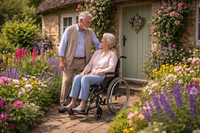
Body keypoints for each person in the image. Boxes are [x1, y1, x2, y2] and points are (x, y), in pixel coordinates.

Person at [63, 33, 117, 112]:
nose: (101, 40)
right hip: (91, 75)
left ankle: (83, 104)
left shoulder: (112, 54)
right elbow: (90, 65)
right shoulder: (97, 52)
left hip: (102, 77)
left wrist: (98, 72)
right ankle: (73, 102)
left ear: (109, 42)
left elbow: (111, 68)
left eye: (103, 39)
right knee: (78, 77)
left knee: (85, 78)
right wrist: (85, 71)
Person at [58, 11, 102, 107]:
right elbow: (62, 46)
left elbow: (98, 44)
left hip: (83, 62)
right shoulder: (69, 30)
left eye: (90, 22)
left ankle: (75, 103)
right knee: (66, 82)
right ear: (81, 20)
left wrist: (109, 49)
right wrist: (62, 61)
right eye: (87, 22)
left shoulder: (90, 32)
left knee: (81, 82)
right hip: (69, 61)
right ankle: (63, 103)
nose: (89, 24)